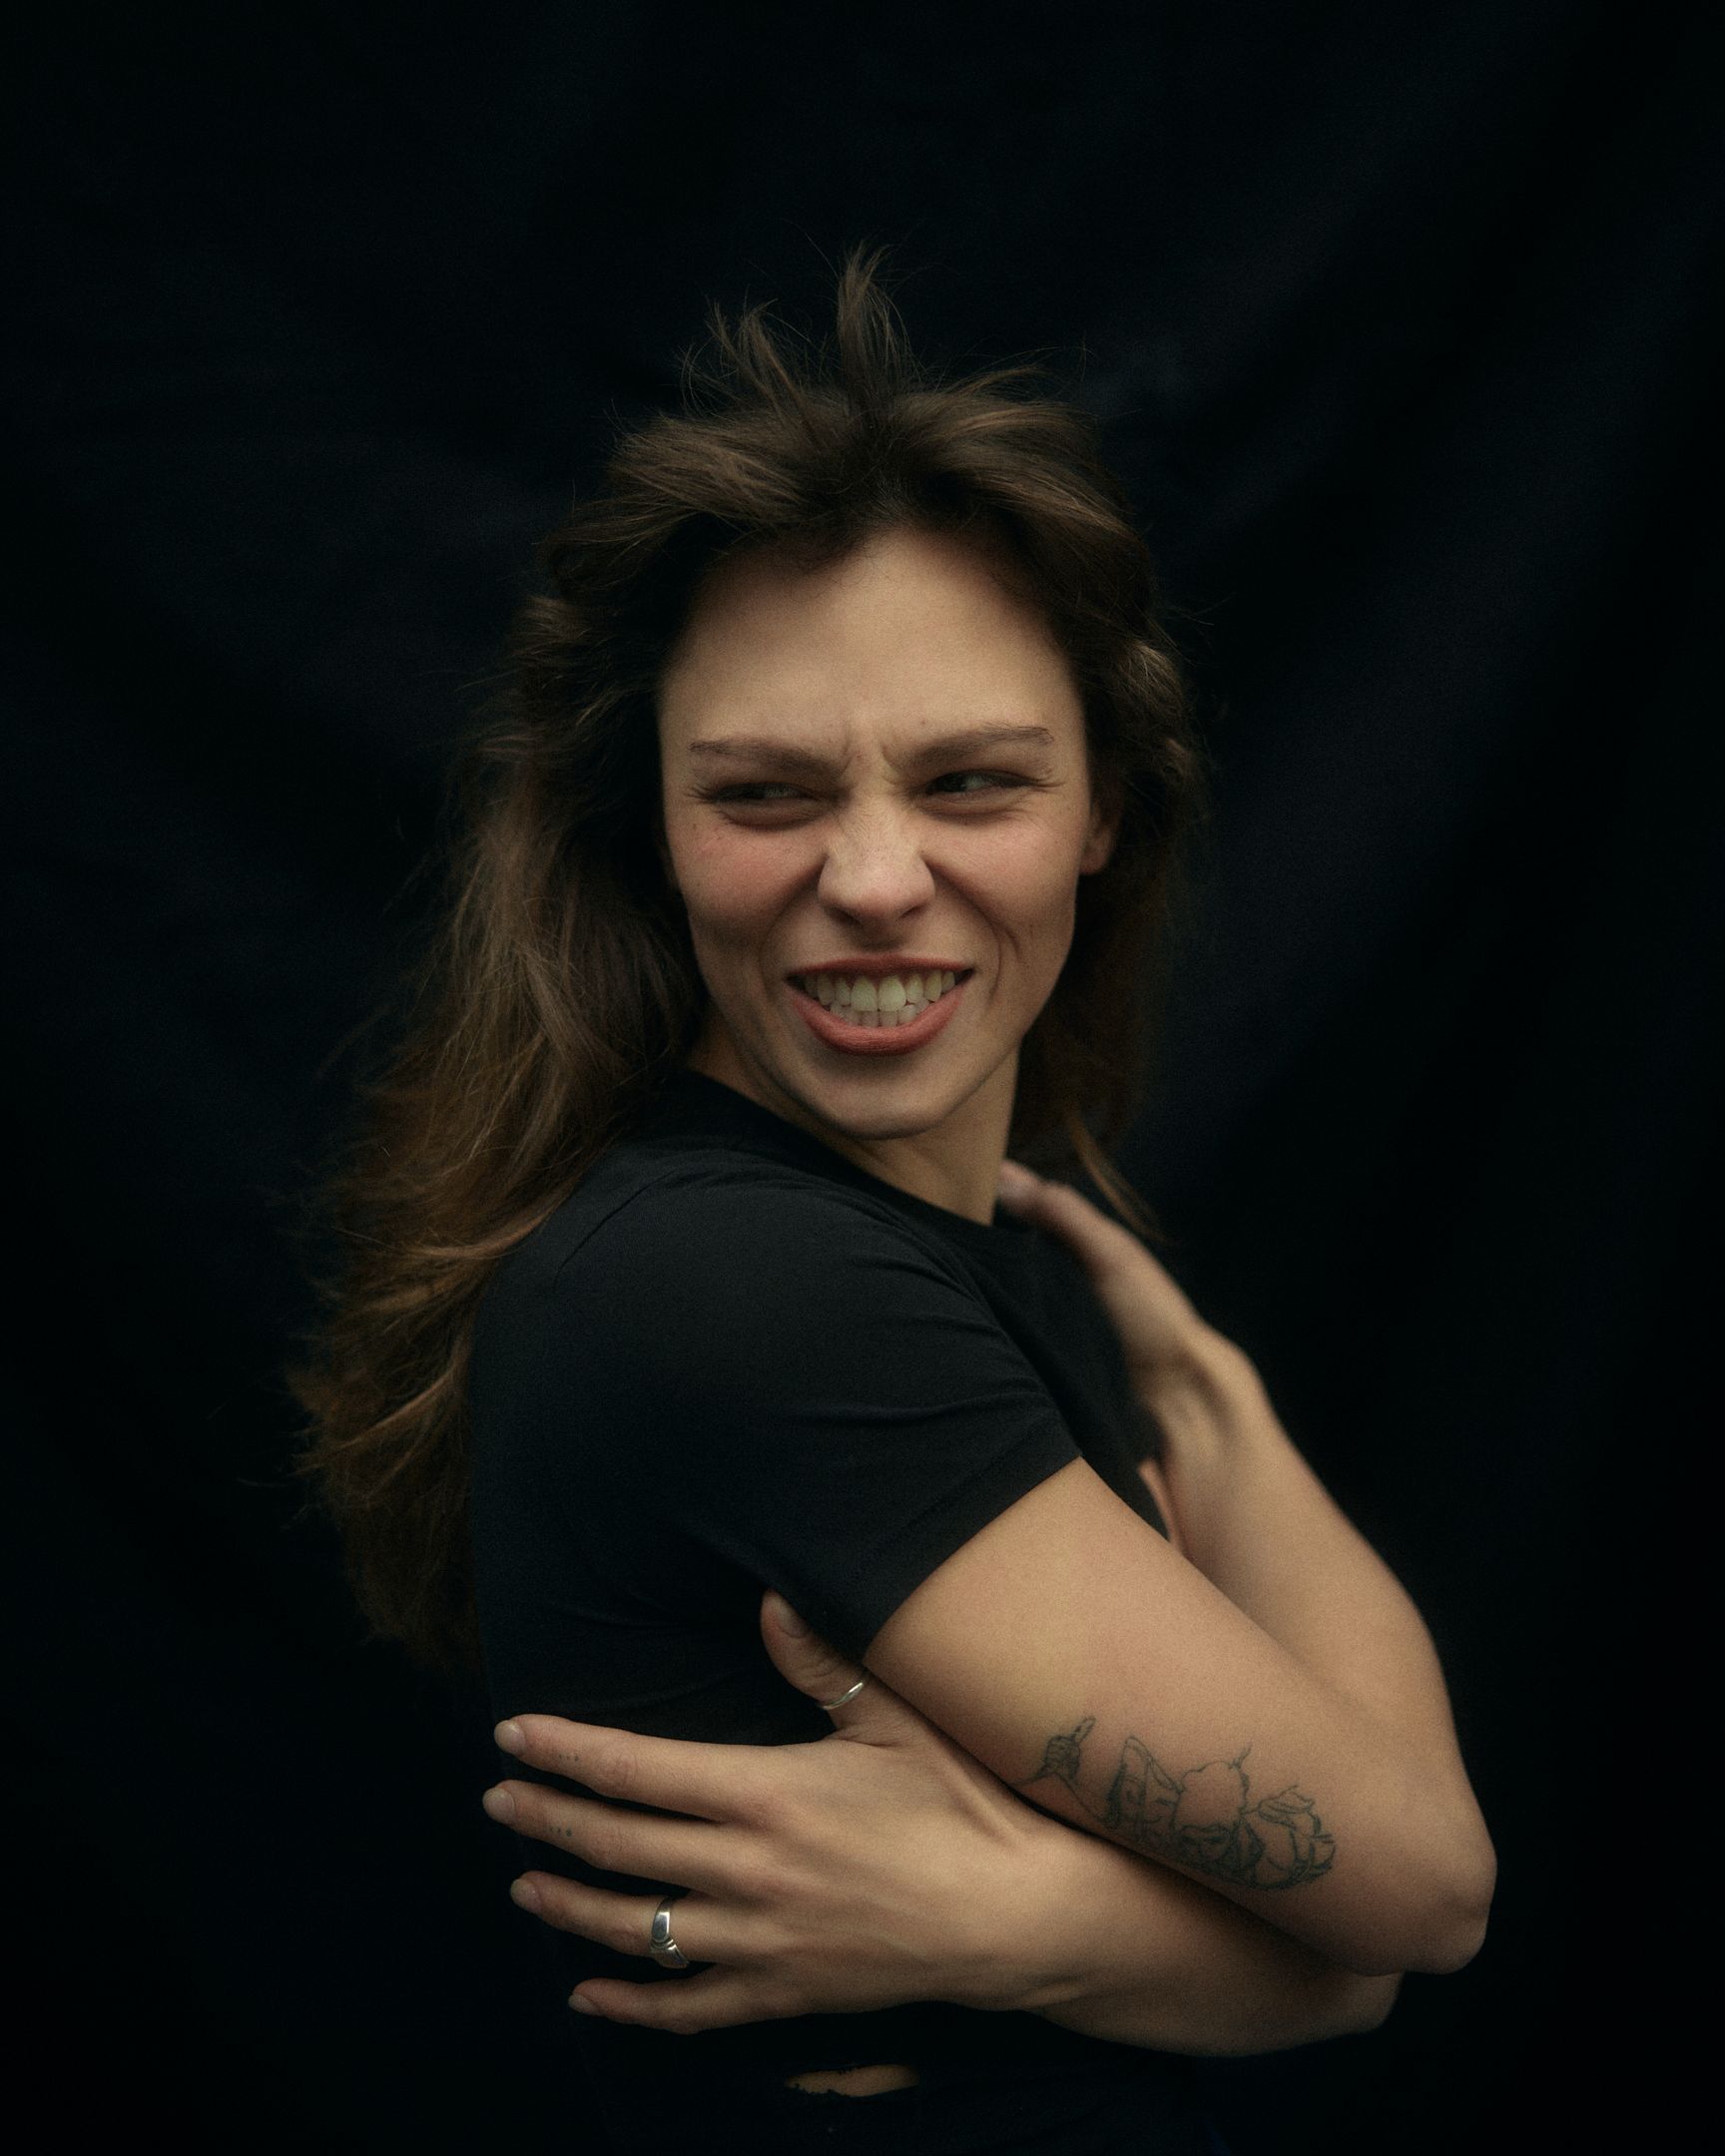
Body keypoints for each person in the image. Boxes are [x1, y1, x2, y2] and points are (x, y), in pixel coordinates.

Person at [290, 244, 1493, 2154]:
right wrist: (1215, 1419)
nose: (870, 879)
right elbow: (1418, 1891)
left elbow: (1368, 1948)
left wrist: (1030, 1923)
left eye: (973, 781)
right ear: (649, 828)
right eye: (764, 793)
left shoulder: (979, 1257)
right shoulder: (742, 1289)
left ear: (1103, 808)